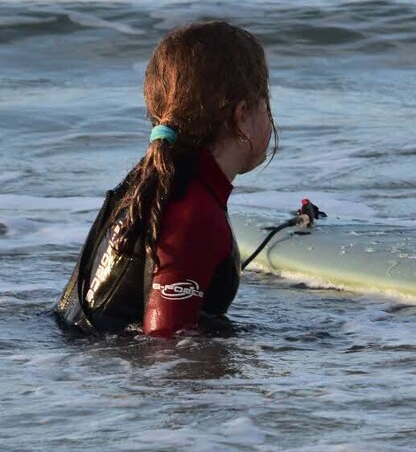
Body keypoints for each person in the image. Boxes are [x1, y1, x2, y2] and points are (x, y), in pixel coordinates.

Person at [54, 21, 275, 337]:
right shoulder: (193, 213)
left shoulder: (151, 184)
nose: (269, 115)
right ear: (240, 115)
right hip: (109, 372)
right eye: (265, 102)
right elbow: (167, 352)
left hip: (90, 367)